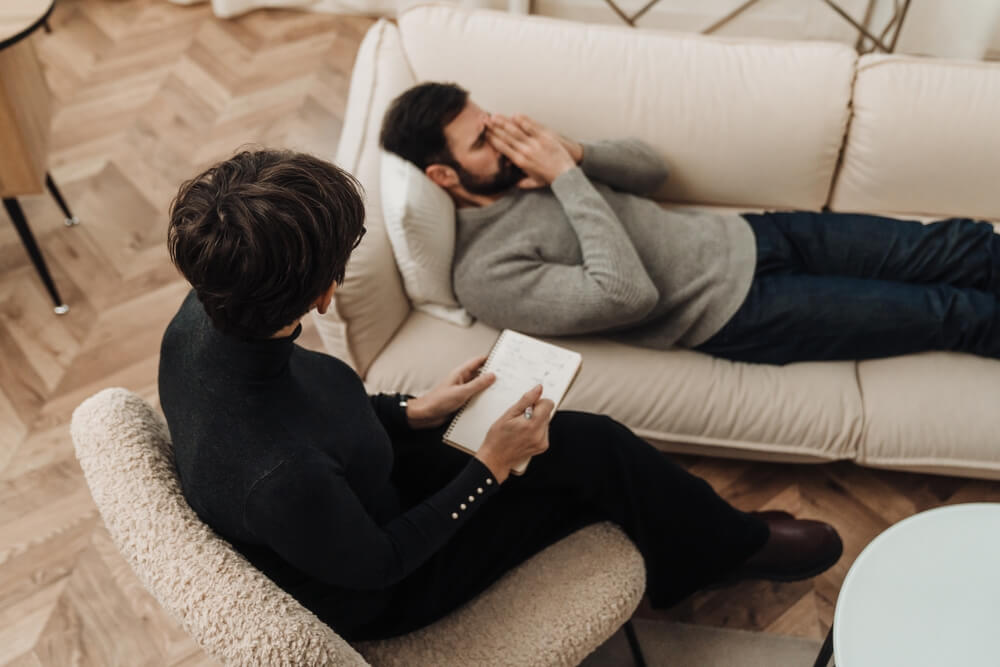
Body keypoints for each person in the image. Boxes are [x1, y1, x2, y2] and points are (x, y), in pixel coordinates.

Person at [158, 149, 842, 642]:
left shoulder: (209, 311)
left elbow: (315, 413)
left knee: (589, 439)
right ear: (322, 293)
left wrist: (410, 409)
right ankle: (728, 549)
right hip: (394, 578)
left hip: (360, 485)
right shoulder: (277, 474)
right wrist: (487, 465)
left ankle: (713, 542)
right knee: (579, 471)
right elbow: (380, 564)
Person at [380, 82, 1000, 365]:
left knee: (961, 244)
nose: (504, 141)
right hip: (739, 312)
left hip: (752, 235)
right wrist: (566, 181)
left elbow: (652, 172)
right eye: (481, 140)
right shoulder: (484, 275)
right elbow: (628, 294)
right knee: (955, 313)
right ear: (443, 176)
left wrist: (573, 154)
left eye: (492, 120)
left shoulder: (535, 165)